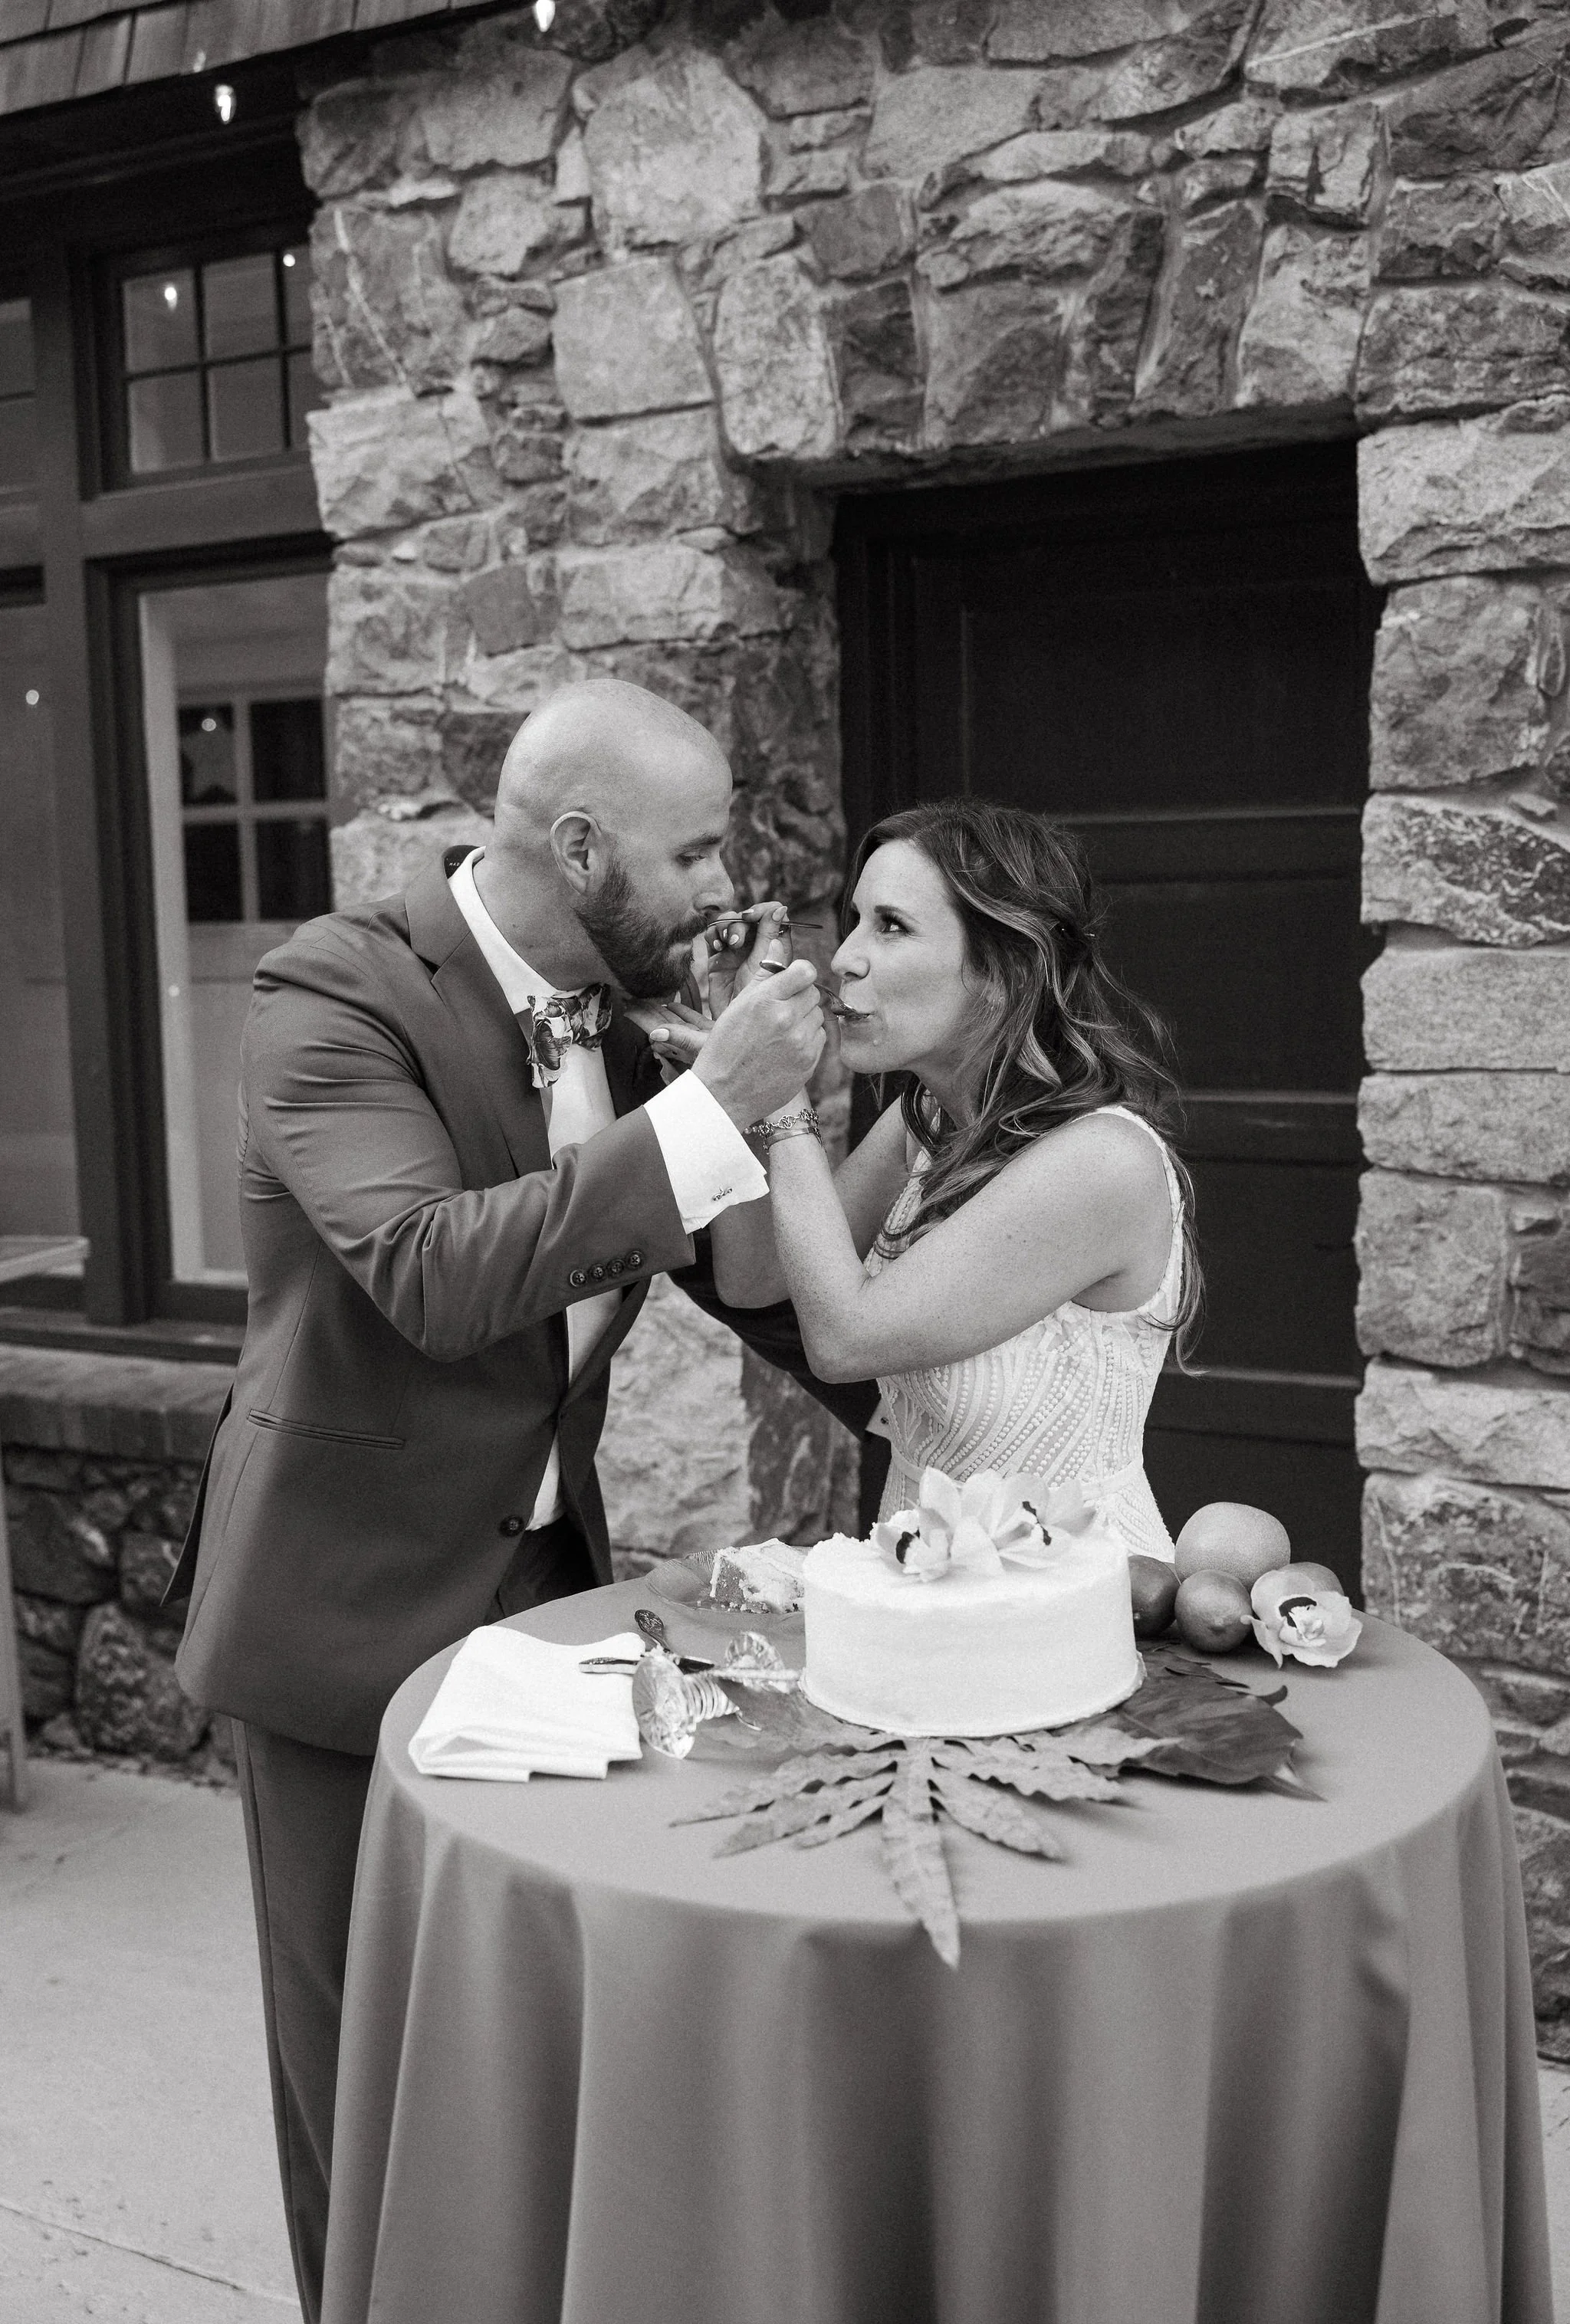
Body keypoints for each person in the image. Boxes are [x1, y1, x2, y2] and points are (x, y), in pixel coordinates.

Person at [166, 678, 873, 2324]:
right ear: (579, 844)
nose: (723, 887)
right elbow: (428, 1274)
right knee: (364, 2081)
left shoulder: (625, 1037)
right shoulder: (329, 991)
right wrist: (703, 1107)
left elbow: (771, 1307)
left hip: (549, 1603)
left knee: (526, 2047)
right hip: (337, 1626)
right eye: (693, 853)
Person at [650, 798, 1199, 1557]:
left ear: (1005, 967)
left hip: (1068, 1606)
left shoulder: (1101, 1160)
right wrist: (736, 1093)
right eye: (854, 919)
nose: (842, 957)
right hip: (913, 1593)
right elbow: (755, 1278)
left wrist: (781, 1101)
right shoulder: (925, 1123)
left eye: (891, 925)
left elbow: (843, 1339)